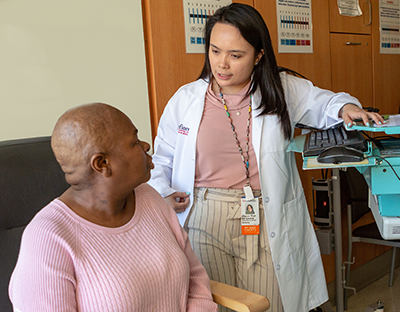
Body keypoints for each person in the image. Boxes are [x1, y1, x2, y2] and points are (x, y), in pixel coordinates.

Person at [148, 3, 383, 312]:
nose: (222, 64)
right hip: (204, 214)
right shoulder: (185, 99)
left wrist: (345, 109)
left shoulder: (281, 89)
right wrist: (162, 193)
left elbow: (327, 102)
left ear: (258, 55)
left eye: (236, 55)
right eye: (215, 51)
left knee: (266, 304)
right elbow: (161, 159)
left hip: (264, 212)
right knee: (215, 304)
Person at [8, 103, 218, 312]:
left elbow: (195, 279)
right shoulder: (48, 239)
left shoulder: (150, 199)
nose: (145, 145)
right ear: (102, 164)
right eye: (134, 142)